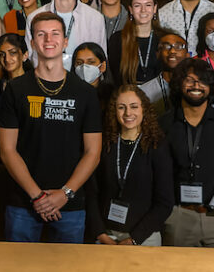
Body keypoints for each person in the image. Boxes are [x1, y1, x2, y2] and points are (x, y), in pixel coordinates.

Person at [0, 13, 103, 243]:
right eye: (41, 34)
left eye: (55, 34)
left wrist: (65, 194)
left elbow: (93, 153)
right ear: (32, 42)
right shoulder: (15, 90)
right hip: (22, 203)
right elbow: (7, 151)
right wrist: (37, 196)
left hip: (70, 204)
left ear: (65, 41)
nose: (48, 40)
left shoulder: (85, 93)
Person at [87, 85, 173, 246]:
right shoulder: (104, 144)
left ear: (144, 109)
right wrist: (100, 233)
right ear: (114, 111)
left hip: (144, 238)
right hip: (106, 236)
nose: (128, 113)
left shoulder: (157, 146)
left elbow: (164, 203)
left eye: (134, 107)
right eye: (121, 107)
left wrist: (134, 239)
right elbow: (91, 193)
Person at [159, 57, 214, 246]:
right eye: (190, 80)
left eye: (203, 80)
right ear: (179, 83)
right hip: (177, 217)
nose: (196, 85)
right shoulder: (164, 124)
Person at [26, 0, 107, 69]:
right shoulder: (34, 18)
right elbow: (32, 58)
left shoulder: (95, 18)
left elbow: (101, 59)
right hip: (47, 82)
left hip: (83, 83)